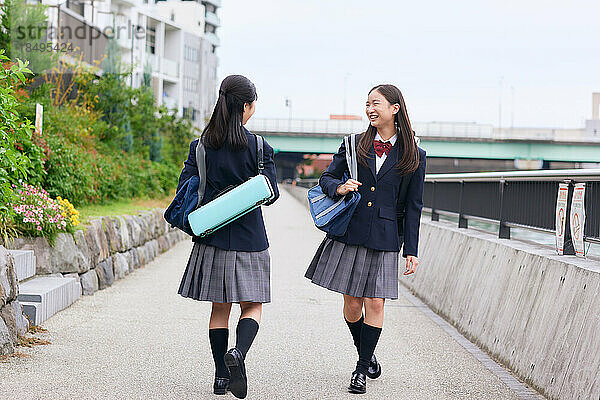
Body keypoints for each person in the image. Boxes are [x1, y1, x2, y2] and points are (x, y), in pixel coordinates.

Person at [305, 84, 426, 394]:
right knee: (351, 303)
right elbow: (326, 178)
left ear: (394, 109)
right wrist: (340, 187)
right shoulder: (352, 145)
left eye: (377, 103)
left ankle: (360, 369)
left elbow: (413, 206)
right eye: (368, 103)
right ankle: (368, 354)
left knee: (375, 301)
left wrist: (411, 250)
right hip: (351, 231)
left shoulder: (415, 154)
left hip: (386, 236)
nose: (370, 109)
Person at [176, 75, 279, 399]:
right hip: (250, 239)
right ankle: (239, 354)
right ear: (246, 106)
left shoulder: (202, 146)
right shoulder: (260, 147)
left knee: (219, 309)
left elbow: (186, 187)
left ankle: (221, 377)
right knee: (252, 306)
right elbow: (272, 194)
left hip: (212, 236)